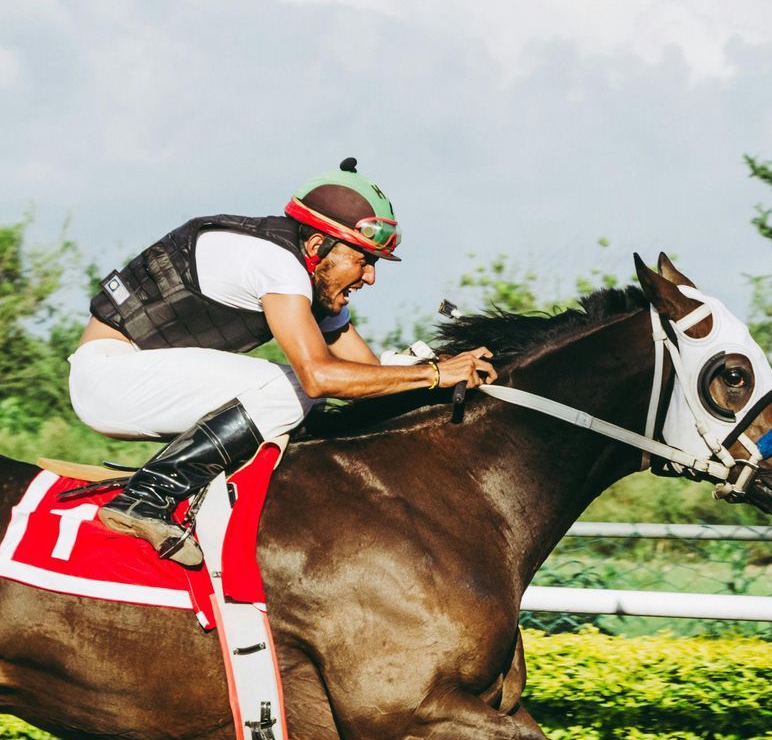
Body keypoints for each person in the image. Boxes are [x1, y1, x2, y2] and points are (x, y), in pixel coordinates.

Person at [70, 158, 495, 566]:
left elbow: (367, 376)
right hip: (108, 379)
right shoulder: (277, 264)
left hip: (142, 382)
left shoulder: (309, 276)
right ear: (316, 245)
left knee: (304, 393)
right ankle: (146, 497)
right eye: (363, 260)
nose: (370, 277)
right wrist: (434, 374)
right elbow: (321, 377)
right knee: (293, 388)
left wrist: (439, 367)